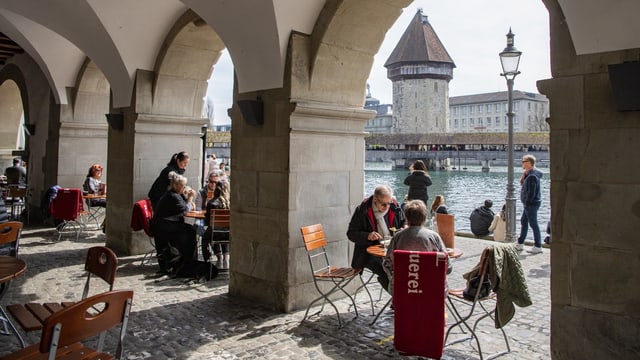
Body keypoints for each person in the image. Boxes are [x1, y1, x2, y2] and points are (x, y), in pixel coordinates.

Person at [382, 200, 451, 294]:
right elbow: (448, 266)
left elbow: (387, 264)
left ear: (406, 218)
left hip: (401, 289)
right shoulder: (434, 237)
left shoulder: (397, 237)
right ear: (425, 218)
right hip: (432, 290)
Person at [347, 185, 405, 292]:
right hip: (368, 254)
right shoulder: (362, 211)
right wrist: (367, 236)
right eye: (383, 204)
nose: (387, 207)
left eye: (389, 203)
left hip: (392, 249)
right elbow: (351, 233)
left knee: (405, 267)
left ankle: (403, 298)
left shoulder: (394, 207)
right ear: (375, 199)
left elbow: (404, 223)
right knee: (385, 270)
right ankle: (397, 300)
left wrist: (403, 229)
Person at [150, 171, 197, 274]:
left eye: (185, 186)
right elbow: (185, 210)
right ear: (175, 186)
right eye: (183, 186)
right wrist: (190, 198)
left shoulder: (176, 194)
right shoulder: (172, 196)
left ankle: (187, 260)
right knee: (190, 231)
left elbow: (188, 207)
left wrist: (186, 197)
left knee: (190, 230)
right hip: (164, 227)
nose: (184, 188)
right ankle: (188, 261)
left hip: (167, 224)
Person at [516, 154, 543, 254]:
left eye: (524, 161)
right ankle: (520, 242)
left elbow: (532, 192)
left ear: (529, 163)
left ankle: (538, 245)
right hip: (529, 204)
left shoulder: (532, 176)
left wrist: (527, 202)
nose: (522, 163)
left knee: (533, 224)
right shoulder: (528, 174)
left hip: (531, 204)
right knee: (524, 221)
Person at [202, 180, 231, 269]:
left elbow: (207, 222)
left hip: (215, 233)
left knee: (207, 236)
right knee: (223, 229)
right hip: (228, 234)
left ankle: (217, 257)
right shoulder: (230, 204)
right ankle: (226, 258)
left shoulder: (211, 203)